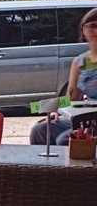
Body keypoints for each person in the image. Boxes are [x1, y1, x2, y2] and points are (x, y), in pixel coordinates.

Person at [30, 8, 97, 145]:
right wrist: (49, 109)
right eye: (92, 26)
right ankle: (43, 167)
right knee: (40, 130)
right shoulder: (80, 61)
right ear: (83, 31)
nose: (96, 31)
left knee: (65, 141)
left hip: (93, 122)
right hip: (84, 121)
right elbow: (71, 99)